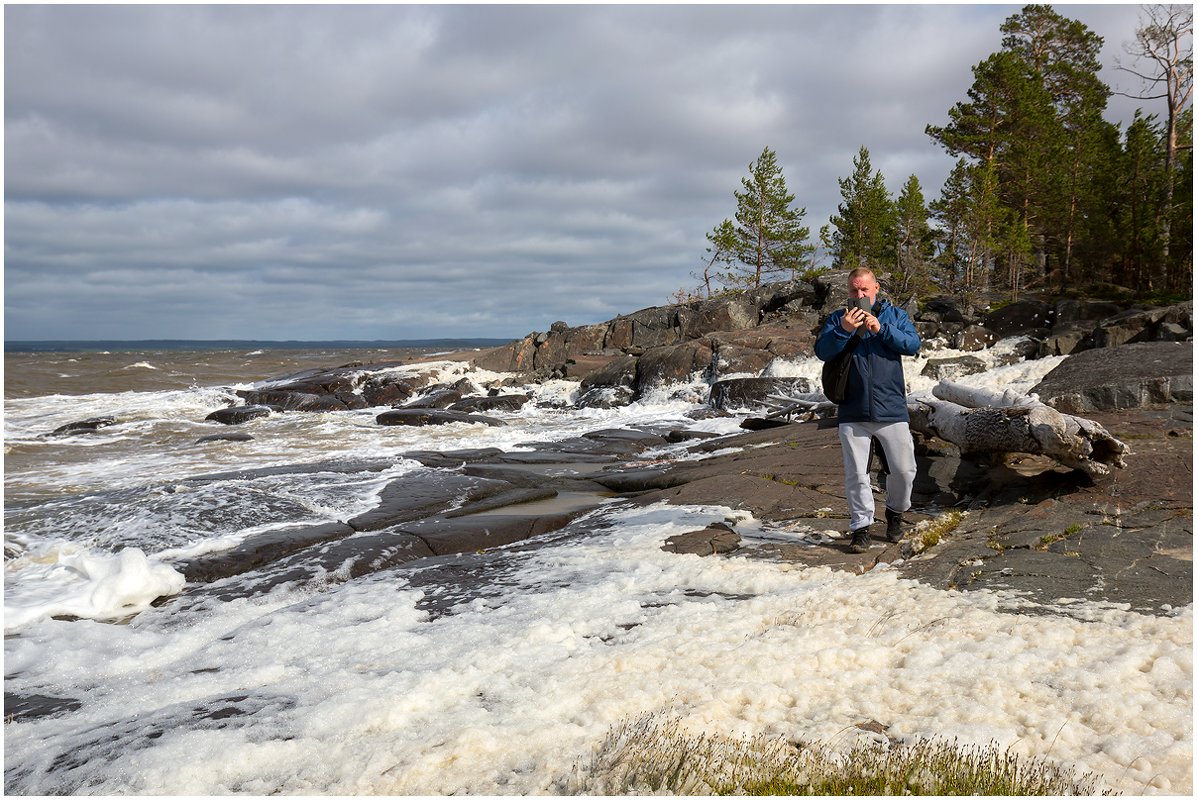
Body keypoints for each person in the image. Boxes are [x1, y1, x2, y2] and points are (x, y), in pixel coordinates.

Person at [814, 267, 921, 553]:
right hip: (853, 408)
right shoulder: (838, 318)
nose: (859, 295)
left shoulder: (895, 316)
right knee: (856, 474)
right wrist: (844, 331)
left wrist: (881, 329)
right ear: (848, 291)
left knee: (904, 470)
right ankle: (861, 528)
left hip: (891, 408)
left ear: (876, 289)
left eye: (864, 290)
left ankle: (895, 513)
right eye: (854, 291)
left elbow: (913, 345)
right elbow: (822, 351)